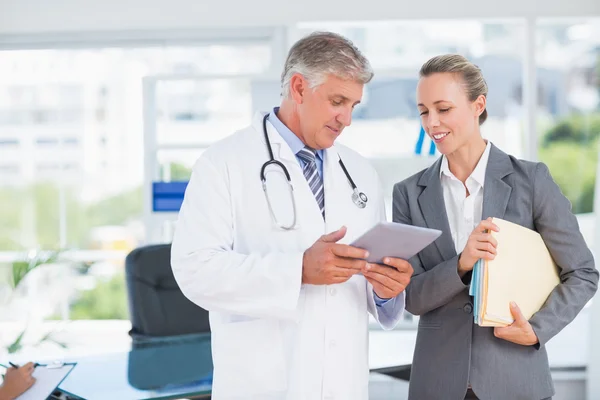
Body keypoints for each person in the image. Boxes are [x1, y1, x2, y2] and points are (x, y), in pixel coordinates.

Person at [171, 31, 413, 400]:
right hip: (265, 384)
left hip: (343, 384)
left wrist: (385, 289)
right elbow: (194, 269)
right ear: (299, 88)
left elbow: (364, 279)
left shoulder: (359, 172)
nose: (346, 118)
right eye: (337, 101)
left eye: (353, 105)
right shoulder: (224, 163)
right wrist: (297, 270)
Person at [393, 54, 599, 400]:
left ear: (478, 105)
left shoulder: (531, 181)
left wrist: (536, 329)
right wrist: (461, 264)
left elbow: (583, 273)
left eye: (443, 109)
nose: (432, 123)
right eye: (423, 111)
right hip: (438, 384)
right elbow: (409, 296)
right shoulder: (409, 194)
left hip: (515, 381)